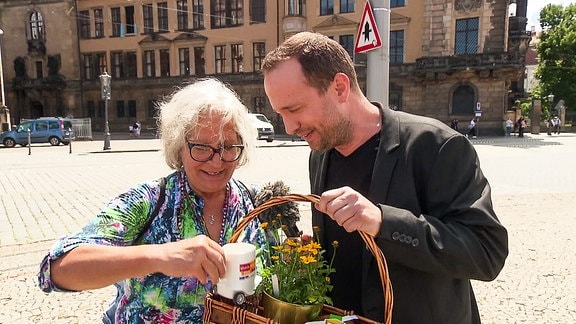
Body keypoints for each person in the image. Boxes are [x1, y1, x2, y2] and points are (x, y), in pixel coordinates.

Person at [262, 32, 508, 323]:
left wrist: (382, 222)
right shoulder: (320, 153)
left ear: (339, 88)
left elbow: (486, 253)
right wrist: (310, 258)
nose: (289, 127)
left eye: (295, 109)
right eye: (280, 115)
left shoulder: (436, 146)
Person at [37, 78, 266, 323]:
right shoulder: (150, 201)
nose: (216, 161)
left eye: (228, 146)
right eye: (201, 147)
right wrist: (161, 256)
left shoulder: (257, 204)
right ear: (179, 146)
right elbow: (57, 269)